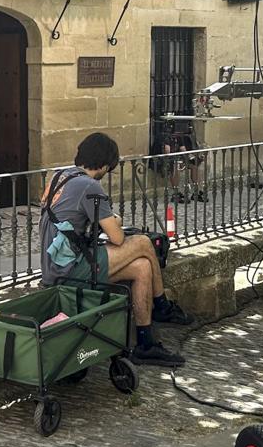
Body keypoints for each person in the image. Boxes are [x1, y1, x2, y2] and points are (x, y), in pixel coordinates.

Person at [40, 132, 193, 368]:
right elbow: (118, 238)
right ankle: (162, 305)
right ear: (103, 164)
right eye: (108, 168)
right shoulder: (90, 186)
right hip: (70, 270)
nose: (106, 174)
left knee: (141, 267)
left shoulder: (59, 176)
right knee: (142, 242)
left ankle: (145, 344)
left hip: (54, 266)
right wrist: (115, 219)